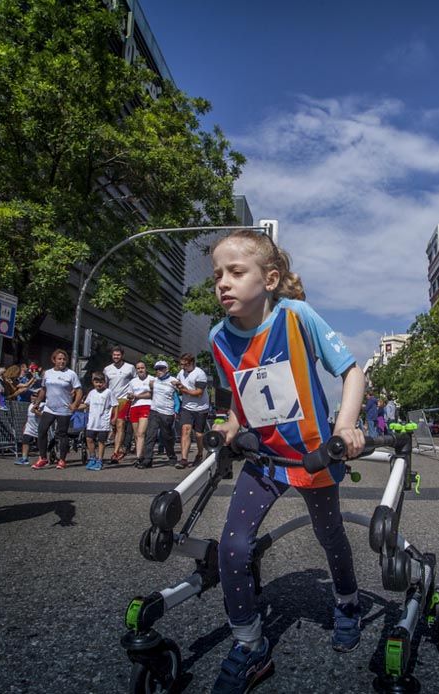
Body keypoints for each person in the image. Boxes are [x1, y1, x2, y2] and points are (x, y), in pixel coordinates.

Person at [207, 229, 366, 692]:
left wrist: (345, 427)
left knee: (329, 534)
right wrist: (231, 424)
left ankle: (348, 602)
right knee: (233, 548)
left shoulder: (296, 317)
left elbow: (351, 373)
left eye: (236, 272)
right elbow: (239, 397)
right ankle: (250, 646)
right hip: (264, 461)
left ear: (270, 278)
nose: (223, 283)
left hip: (314, 457)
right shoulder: (218, 338)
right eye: (218, 275)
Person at [31, 349, 82, 470]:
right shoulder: (47, 373)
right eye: (59, 359)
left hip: (64, 409)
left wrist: (75, 404)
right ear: (54, 360)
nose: (62, 361)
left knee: (61, 434)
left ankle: (62, 460)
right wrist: (37, 403)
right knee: (42, 430)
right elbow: (43, 389)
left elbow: (79, 391)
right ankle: (43, 457)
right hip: (49, 408)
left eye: (64, 359)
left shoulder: (71, 374)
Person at [137, 360, 177, 469]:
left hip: (167, 412)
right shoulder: (154, 381)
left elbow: (181, 394)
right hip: (154, 411)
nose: (159, 371)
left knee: (166, 437)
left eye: (161, 368)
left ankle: (172, 456)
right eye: (157, 369)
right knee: (150, 435)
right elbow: (150, 393)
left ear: (166, 369)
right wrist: (138, 394)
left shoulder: (173, 380)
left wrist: (179, 386)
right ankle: (147, 460)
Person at [173, 352, 210, 469]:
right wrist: (177, 386)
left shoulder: (200, 374)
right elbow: (179, 387)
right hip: (187, 407)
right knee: (185, 430)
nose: (183, 367)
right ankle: (184, 459)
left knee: (198, 434)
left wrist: (183, 389)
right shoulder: (181, 373)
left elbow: (199, 393)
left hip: (201, 408)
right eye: (181, 364)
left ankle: (199, 454)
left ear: (192, 363)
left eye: (185, 364)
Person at [103, 347, 135, 462]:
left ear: (122, 355)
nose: (116, 357)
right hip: (111, 400)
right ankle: (121, 447)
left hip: (124, 399)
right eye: (114, 355)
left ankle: (115, 452)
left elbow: (135, 382)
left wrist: (133, 395)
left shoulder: (130, 367)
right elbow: (105, 385)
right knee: (114, 426)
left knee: (120, 423)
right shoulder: (107, 369)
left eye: (118, 355)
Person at [81, 372, 118, 471]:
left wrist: (114, 417)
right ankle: (92, 458)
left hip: (103, 422)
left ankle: (100, 460)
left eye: (101, 382)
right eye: (97, 382)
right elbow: (86, 404)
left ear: (104, 382)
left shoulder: (108, 392)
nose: (99, 384)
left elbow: (115, 405)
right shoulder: (91, 392)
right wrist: (74, 407)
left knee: (101, 441)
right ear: (93, 382)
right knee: (89, 439)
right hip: (92, 421)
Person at [126, 361, 154, 466]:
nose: (140, 370)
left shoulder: (151, 379)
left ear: (146, 368)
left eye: (142, 368)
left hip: (146, 406)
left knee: (141, 433)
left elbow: (151, 394)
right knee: (137, 434)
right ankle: (141, 456)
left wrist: (137, 396)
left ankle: (138, 458)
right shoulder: (133, 381)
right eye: (138, 368)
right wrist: (130, 396)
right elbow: (129, 394)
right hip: (134, 407)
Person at [15, 401, 41, 466]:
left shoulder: (43, 405)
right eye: (32, 395)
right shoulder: (30, 405)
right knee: (25, 440)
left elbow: (44, 416)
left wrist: (36, 411)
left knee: (40, 444)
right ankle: (24, 458)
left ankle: (42, 458)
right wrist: (26, 425)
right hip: (30, 427)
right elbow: (28, 417)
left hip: (39, 427)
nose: (33, 398)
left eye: (35, 396)